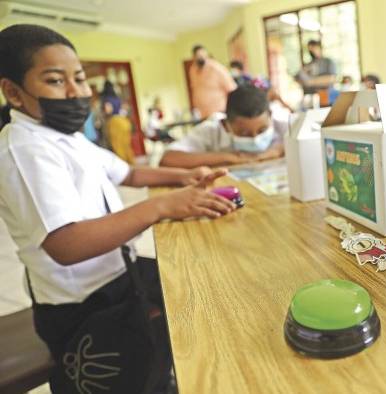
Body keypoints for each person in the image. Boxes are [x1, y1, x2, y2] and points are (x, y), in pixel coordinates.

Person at [0, 24, 236, 392]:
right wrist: (162, 207)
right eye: (55, 81)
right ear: (13, 92)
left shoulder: (69, 138)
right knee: (122, 378)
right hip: (82, 304)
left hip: (117, 273)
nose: (76, 92)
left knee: (185, 291)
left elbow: (129, 172)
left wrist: (187, 175)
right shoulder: (24, 150)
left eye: (79, 78)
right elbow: (66, 245)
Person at [160, 84, 286, 168]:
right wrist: (230, 158)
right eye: (244, 134)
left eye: (262, 130)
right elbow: (168, 159)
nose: (255, 139)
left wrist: (280, 149)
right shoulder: (211, 130)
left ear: (270, 116)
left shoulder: (283, 123)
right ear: (225, 125)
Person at [188, 45, 236, 120]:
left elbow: (232, 89)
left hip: (219, 112)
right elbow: (194, 88)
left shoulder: (217, 68)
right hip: (202, 114)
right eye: (198, 56)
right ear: (193, 57)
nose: (200, 57)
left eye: (202, 55)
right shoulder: (192, 70)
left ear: (206, 55)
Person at [295, 40, 337, 107]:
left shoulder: (328, 62)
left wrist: (310, 82)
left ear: (319, 48)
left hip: (326, 96)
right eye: (310, 49)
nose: (311, 51)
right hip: (311, 98)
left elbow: (331, 79)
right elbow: (298, 78)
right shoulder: (308, 65)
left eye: (313, 48)